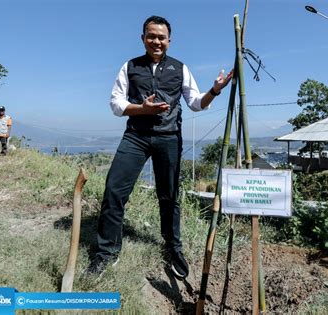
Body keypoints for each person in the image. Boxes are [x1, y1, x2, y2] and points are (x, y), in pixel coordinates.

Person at [87, 16, 233, 279]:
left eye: (161, 37)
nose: (156, 41)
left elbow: (197, 103)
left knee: (169, 195)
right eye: (151, 36)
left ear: (169, 40)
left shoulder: (180, 68)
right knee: (113, 191)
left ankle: (173, 248)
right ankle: (106, 253)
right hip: (136, 136)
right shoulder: (130, 66)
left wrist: (215, 89)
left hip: (168, 137)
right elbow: (116, 104)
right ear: (143, 38)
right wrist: (141, 109)